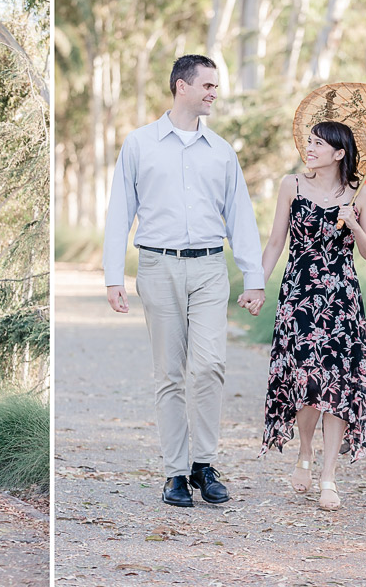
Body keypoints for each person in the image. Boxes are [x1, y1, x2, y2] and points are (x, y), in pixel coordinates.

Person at [103, 54, 266, 508]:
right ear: (181, 86)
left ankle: (204, 464)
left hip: (211, 268)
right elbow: (120, 212)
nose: (214, 93)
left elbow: (241, 216)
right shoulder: (139, 144)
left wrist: (253, 278)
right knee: (169, 374)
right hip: (157, 266)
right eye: (208, 85)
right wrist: (113, 275)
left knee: (210, 365)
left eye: (216, 86)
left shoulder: (222, 151)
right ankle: (175, 472)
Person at [257, 121, 366, 511]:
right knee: (307, 380)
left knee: (338, 385)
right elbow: (276, 240)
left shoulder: (360, 195)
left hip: (342, 298)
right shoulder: (291, 185)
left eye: (318, 144)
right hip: (300, 295)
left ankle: (328, 476)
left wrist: (355, 220)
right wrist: (256, 285)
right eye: (308, 142)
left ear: (339, 153)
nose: (309, 149)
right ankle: (304, 453)